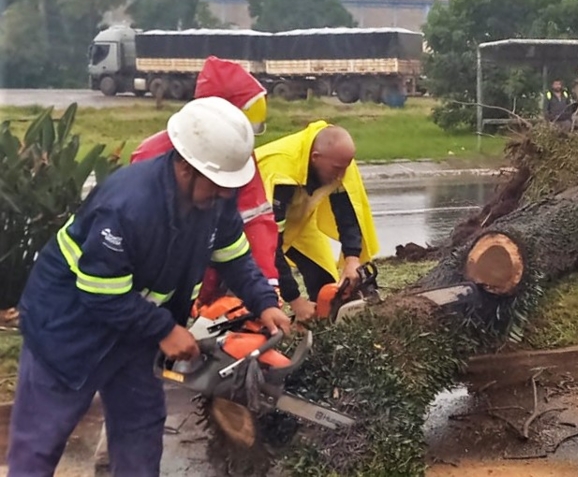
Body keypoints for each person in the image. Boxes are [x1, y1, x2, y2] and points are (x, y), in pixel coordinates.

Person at [7, 97, 292, 477]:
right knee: (41, 443)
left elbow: (234, 255)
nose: (226, 194)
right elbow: (100, 292)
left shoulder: (216, 199)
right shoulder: (128, 205)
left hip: (135, 331)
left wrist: (263, 301)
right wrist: (164, 329)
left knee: (140, 435)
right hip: (68, 329)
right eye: (219, 184)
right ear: (187, 168)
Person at [130, 56, 286, 314]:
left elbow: (254, 225)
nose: (224, 191)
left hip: (208, 282)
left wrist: (267, 291)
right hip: (150, 302)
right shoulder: (150, 158)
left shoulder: (236, 158)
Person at [254, 121, 379, 314]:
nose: (341, 175)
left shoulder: (340, 162)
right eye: (337, 169)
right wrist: (295, 300)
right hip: (252, 226)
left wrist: (352, 259)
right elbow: (268, 241)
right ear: (315, 158)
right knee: (250, 289)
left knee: (326, 282)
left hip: (299, 220)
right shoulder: (279, 171)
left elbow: (348, 213)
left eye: (345, 169)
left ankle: (321, 330)